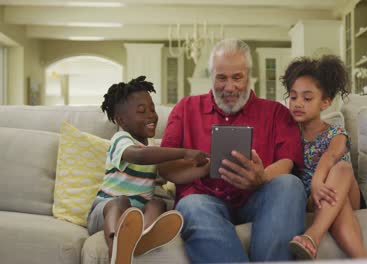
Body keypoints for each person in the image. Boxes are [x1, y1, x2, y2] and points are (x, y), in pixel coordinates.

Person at [158, 38, 306, 262]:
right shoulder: (185, 108)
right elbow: (166, 168)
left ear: (248, 75)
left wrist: (262, 177)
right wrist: (208, 167)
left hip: (257, 197)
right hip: (203, 199)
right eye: (221, 78)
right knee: (191, 204)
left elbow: (287, 162)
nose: (229, 87)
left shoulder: (276, 112)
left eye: (237, 77)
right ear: (212, 76)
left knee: (290, 184)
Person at [87, 76, 209, 264]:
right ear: (122, 120)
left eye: (152, 109)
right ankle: (116, 246)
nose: (151, 115)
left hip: (137, 218)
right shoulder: (121, 139)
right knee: (120, 202)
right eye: (142, 111)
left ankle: (143, 238)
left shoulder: (152, 148)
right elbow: (139, 156)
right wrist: (184, 152)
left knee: (158, 205)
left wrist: (209, 167)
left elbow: (175, 173)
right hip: (105, 211)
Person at [281, 56, 367, 259]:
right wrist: (314, 189)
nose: (298, 104)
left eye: (307, 98)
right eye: (293, 97)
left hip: (344, 191)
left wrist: (317, 182)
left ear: (325, 102)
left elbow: (331, 156)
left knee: (343, 168)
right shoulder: (288, 134)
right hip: (313, 199)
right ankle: (366, 259)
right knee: (337, 206)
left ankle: (313, 235)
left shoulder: (336, 133)